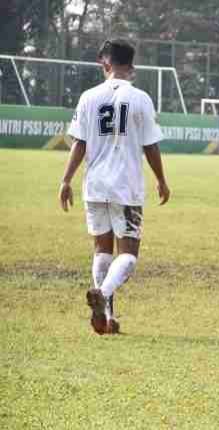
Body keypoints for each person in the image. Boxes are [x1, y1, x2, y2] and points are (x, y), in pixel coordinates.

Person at [58, 39, 170, 335]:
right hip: (126, 186)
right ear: (131, 67)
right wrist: (161, 179)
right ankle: (103, 294)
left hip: (94, 185)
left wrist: (66, 180)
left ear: (105, 63)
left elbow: (79, 143)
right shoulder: (141, 98)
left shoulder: (88, 97)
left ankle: (106, 318)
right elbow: (151, 145)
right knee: (129, 253)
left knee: (101, 250)